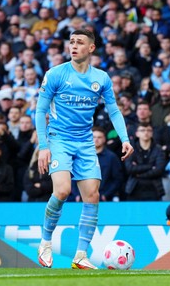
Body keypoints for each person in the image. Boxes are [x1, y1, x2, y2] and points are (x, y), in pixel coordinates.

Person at [35, 29, 134, 269]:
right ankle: (45, 243)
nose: (74, 46)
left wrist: (125, 138)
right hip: (59, 139)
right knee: (62, 191)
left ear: (91, 48)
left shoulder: (101, 78)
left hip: (86, 142)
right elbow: (40, 111)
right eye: (71, 42)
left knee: (92, 196)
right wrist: (43, 146)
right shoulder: (56, 74)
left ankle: (80, 255)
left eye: (80, 42)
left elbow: (113, 110)